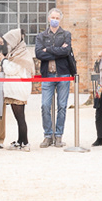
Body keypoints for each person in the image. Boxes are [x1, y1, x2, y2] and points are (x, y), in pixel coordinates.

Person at [35, 9, 75, 147]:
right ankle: (47, 135)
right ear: (48, 18)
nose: (55, 19)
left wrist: (49, 49)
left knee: (62, 106)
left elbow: (67, 51)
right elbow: (39, 54)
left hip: (63, 74)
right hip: (48, 74)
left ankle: (58, 135)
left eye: (57, 17)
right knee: (45, 105)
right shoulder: (41, 36)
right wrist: (58, 51)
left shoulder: (66, 34)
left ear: (60, 19)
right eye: (53, 17)